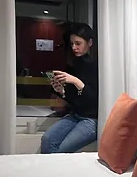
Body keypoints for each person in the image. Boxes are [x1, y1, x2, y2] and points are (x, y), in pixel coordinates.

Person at [41, 23, 98, 154]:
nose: (74, 47)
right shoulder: (73, 65)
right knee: (47, 139)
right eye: (72, 44)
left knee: (61, 150)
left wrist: (76, 81)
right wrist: (61, 91)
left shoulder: (96, 66)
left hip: (91, 119)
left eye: (78, 43)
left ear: (90, 43)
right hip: (75, 115)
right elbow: (75, 99)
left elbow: (93, 100)